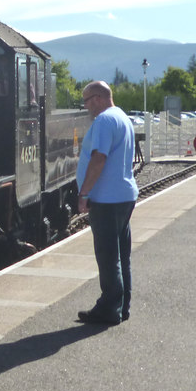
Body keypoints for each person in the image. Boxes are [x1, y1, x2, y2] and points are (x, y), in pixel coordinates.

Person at [76, 81, 139, 325]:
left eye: (87, 101)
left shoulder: (103, 121)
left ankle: (109, 309)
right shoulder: (122, 116)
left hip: (107, 199)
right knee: (122, 255)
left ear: (99, 98)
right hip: (123, 195)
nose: (86, 107)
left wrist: (84, 193)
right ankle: (122, 307)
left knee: (108, 255)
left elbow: (99, 158)